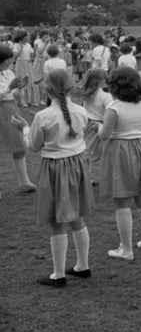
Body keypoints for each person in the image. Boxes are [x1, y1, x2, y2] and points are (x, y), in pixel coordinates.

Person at [12, 70, 92, 286]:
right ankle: (82, 266)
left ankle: (58, 275)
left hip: (55, 169)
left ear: (47, 89)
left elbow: (34, 147)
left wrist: (25, 128)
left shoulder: (43, 116)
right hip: (78, 165)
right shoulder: (81, 111)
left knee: (57, 222)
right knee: (77, 218)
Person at [97, 67, 141, 260]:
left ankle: (126, 248)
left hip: (119, 151)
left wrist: (98, 126)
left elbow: (105, 135)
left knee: (122, 203)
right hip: (140, 148)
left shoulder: (114, 108)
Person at [0, 43, 37, 195]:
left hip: (11, 110)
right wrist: (9, 88)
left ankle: (24, 182)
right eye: (6, 60)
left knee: (19, 146)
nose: (9, 63)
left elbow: (15, 96)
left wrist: (19, 88)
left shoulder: (8, 73)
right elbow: (5, 92)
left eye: (10, 60)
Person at [77, 68, 112, 185]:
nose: (107, 80)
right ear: (99, 80)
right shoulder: (105, 96)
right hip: (99, 125)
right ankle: (85, 178)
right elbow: (110, 111)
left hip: (87, 124)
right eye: (104, 78)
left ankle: (85, 177)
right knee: (96, 152)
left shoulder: (88, 93)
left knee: (87, 151)